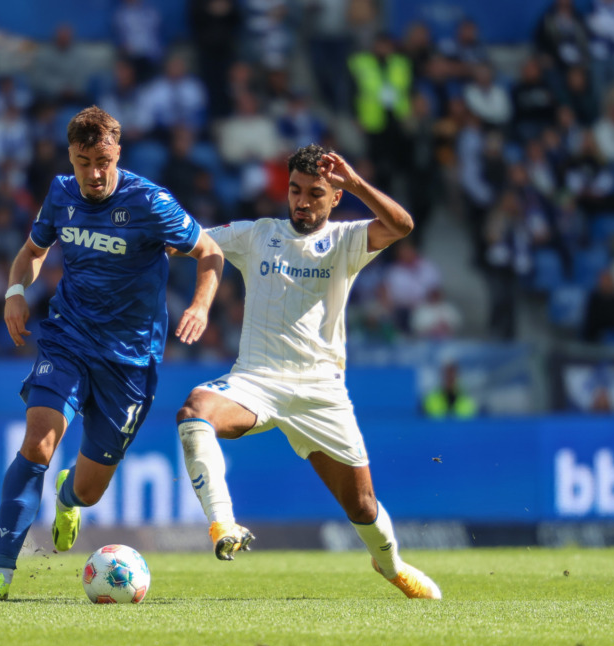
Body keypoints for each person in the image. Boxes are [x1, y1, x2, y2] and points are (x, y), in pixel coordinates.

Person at [0, 106, 224, 601]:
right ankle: (0, 574)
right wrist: (15, 292)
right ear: (71, 156)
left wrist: (200, 304)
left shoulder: (150, 201)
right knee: (39, 440)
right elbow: (32, 251)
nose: (93, 173)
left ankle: (68, 496)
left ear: (117, 154)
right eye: (83, 161)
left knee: (89, 490)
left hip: (129, 361)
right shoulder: (61, 193)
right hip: (68, 336)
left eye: (102, 161)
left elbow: (210, 250)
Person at [175, 144, 442, 600]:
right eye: (295, 190)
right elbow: (191, 241)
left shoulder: (346, 239)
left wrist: (356, 183)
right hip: (255, 381)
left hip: (322, 391)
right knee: (195, 410)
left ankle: (391, 565)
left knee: (361, 506)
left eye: (315, 193)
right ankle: (223, 522)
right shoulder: (257, 233)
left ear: (334, 197)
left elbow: (402, 226)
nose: (301, 201)